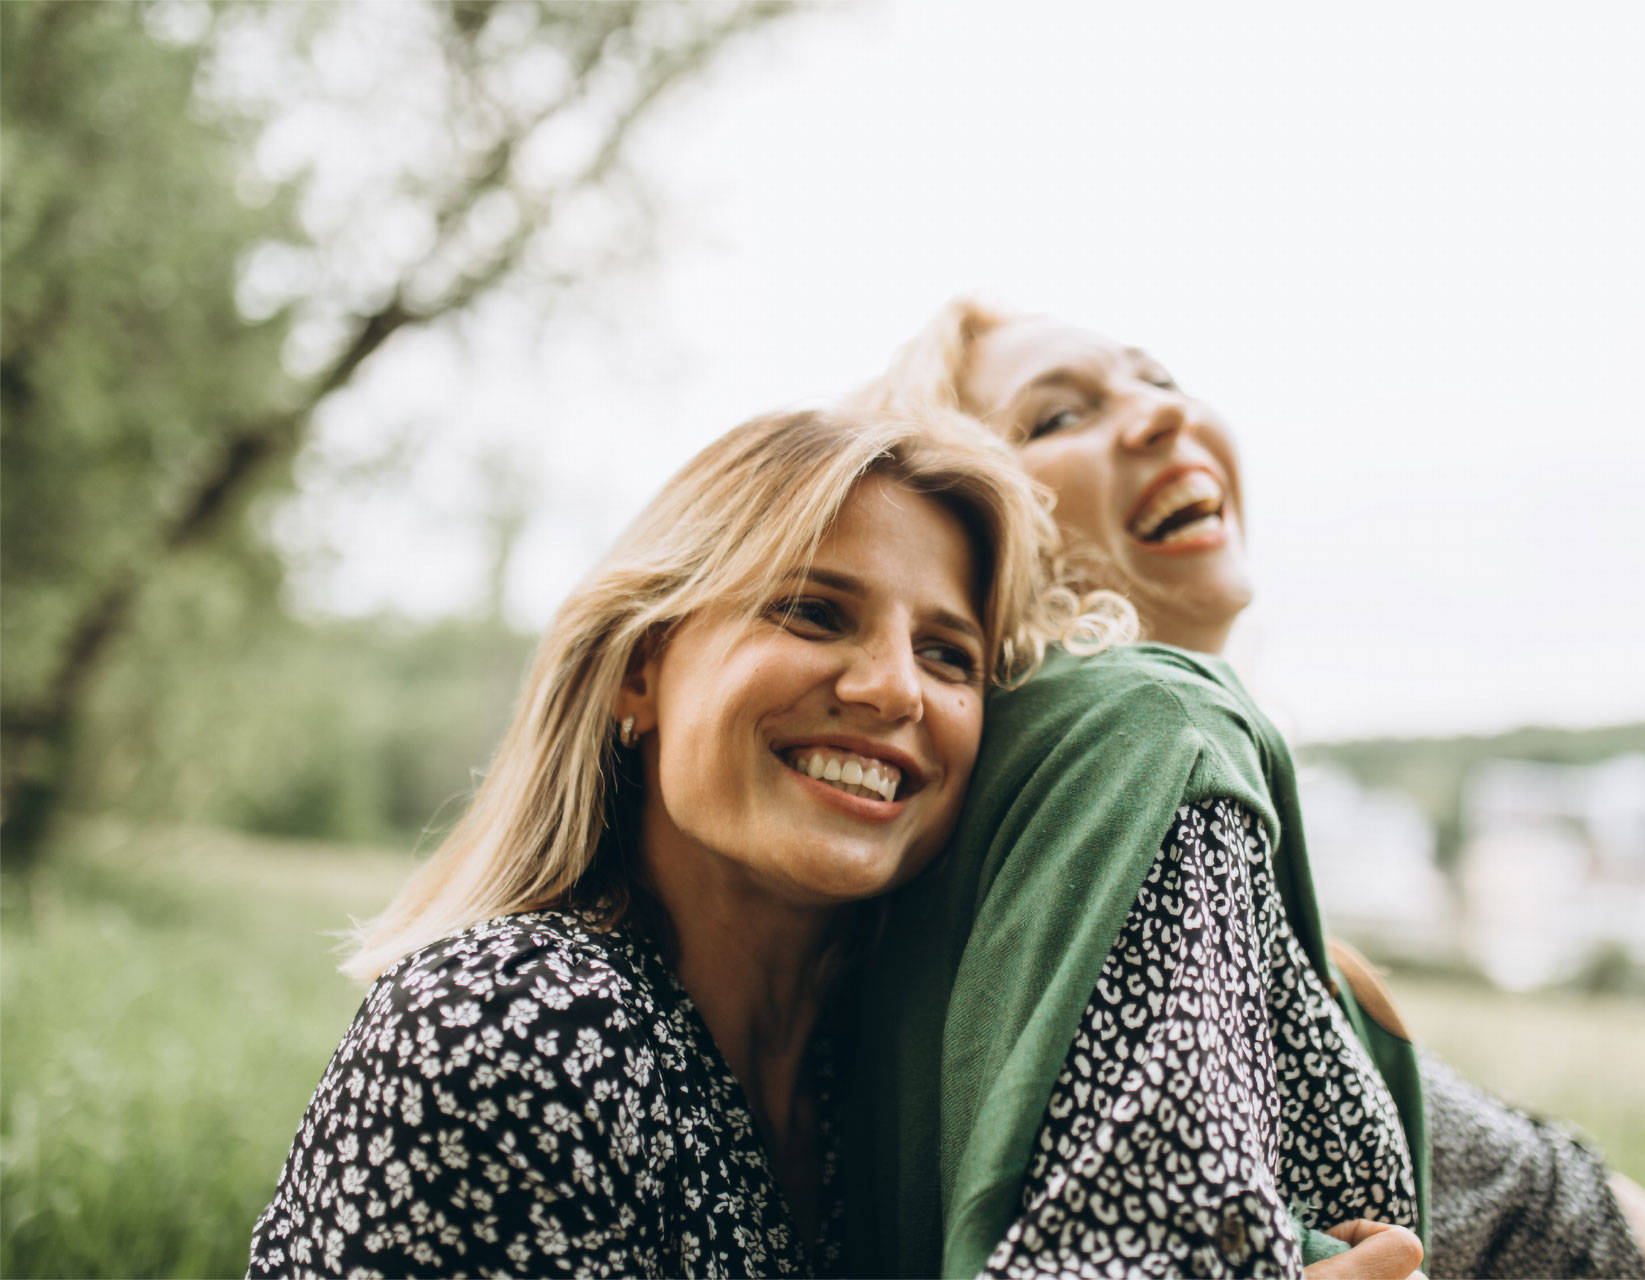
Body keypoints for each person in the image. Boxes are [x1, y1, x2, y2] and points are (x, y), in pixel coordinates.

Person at [840, 301, 1645, 1280]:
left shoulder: (1064, 825)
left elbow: (1526, 1198)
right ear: (959, 518)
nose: (1165, 415)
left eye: (1160, 377)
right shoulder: (1158, 726)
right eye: (1056, 417)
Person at [246, 407, 1117, 1278]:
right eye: (814, 612)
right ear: (639, 672)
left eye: (946, 654)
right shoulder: (513, 1027)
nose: (895, 689)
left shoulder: (897, 1081)